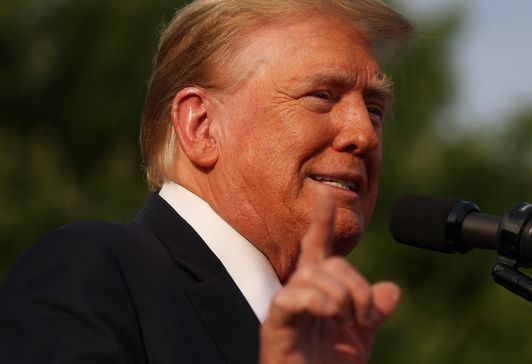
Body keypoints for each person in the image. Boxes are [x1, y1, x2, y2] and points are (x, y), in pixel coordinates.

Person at [0, 0, 413, 362]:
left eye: (375, 110)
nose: (364, 134)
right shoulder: (91, 272)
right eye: (322, 96)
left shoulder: (330, 337)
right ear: (201, 126)